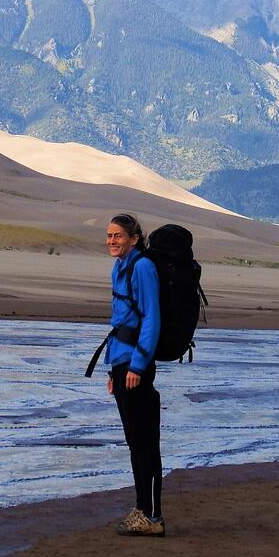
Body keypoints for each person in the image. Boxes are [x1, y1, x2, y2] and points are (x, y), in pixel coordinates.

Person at [104, 213, 165, 537]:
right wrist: (113, 369)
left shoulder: (142, 267)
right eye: (109, 235)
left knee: (144, 442)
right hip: (122, 363)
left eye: (118, 236)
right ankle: (143, 511)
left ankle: (151, 516)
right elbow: (121, 320)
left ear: (134, 239)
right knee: (135, 441)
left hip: (135, 366)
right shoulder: (119, 267)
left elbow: (151, 318)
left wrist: (137, 366)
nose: (112, 241)